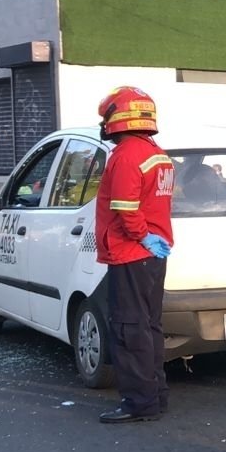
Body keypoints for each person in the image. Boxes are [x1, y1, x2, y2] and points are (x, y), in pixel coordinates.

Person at [94, 86, 174, 424]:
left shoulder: (126, 155)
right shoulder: (157, 153)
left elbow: (126, 210)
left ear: (118, 118)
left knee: (129, 328)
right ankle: (155, 394)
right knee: (150, 326)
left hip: (131, 253)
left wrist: (140, 236)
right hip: (153, 253)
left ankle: (139, 402)